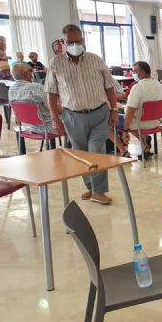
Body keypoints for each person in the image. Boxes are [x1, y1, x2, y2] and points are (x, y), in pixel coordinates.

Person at [46, 24, 118, 205]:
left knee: (97, 151)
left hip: (99, 112)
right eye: (71, 42)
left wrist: (114, 109)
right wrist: (55, 119)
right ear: (63, 42)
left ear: (83, 40)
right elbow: (51, 93)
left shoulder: (95, 60)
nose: (76, 45)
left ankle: (99, 190)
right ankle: (91, 187)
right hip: (73, 116)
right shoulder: (56, 62)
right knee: (81, 154)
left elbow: (109, 86)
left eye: (79, 41)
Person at [9, 64, 57, 151]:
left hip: (31, 127)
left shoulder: (11, 89)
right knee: (73, 119)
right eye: (30, 70)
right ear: (25, 74)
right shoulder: (36, 87)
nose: (33, 73)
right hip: (49, 127)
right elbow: (51, 106)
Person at [122, 61, 162, 158]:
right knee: (132, 119)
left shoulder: (137, 87)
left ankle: (122, 150)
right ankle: (145, 144)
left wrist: (125, 130)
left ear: (142, 72)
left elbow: (130, 111)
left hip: (140, 124)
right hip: (156, 123)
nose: (133, 74)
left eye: (134, 72)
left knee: (113, 123)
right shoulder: (159, 85)